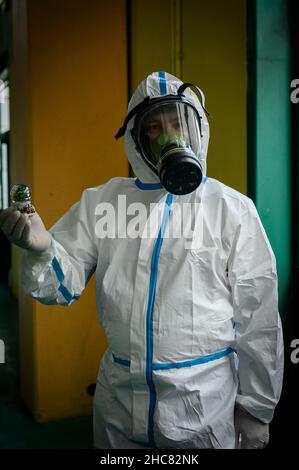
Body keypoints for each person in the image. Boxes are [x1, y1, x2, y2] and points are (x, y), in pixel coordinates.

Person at [0, 71, 284, 449]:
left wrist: (255, 409)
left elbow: (259, 318)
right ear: (137, 138)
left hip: (203, 407)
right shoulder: (104, 203)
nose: (169, 135)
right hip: (120, 410)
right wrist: (42, 248)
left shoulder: (230, 210)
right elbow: (61, 286)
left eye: (178, 122)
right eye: (154, 126)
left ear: (197, 128)